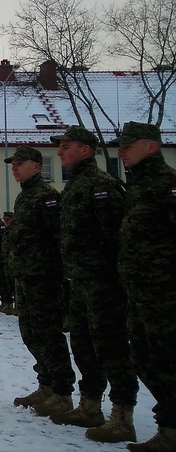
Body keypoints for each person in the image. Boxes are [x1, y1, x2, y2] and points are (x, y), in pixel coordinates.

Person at [41, 125, 138, 443]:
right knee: (83, 346)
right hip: (80, 281)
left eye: (66, 146)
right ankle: (90, 406)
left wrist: (113, 278)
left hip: (104, 283)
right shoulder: (75, 186)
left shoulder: (101, 186)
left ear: (85, 150)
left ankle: (122, 415)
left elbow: (117, 237)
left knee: (111, 348)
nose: (60, 152)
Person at [107, 122, 176, 452]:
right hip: (140, 293)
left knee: (167, 360)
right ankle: (170, 427)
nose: (120, 151)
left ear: (151, 146)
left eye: (127, 145)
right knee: (147, 361)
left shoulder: (167, 185)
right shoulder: (136, 187)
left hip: (165, 294)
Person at [3, 146, 75, 412]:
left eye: (19, 163)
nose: (14, 168)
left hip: (44, 277)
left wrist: (58, 272)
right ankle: (46, 385)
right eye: (13, 164)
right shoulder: (25, 198)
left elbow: (59, 236)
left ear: (36, 166)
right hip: (26, 276)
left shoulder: (47, 197)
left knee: (48, 334)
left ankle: (62, 391)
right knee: (31, 334)